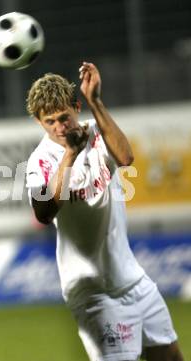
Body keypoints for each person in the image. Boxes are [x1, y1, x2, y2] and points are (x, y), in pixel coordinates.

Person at [25, 62, 183, 361]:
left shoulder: (97, 133)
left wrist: (95, 100)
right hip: (94, 292)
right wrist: (70, 154)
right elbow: (43, 212)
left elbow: (125, 157)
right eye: (50, 122)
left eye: (64, 117)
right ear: (38, 122)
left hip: (132, 278)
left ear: (75, 107)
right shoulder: (40, 161)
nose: (60, 127)